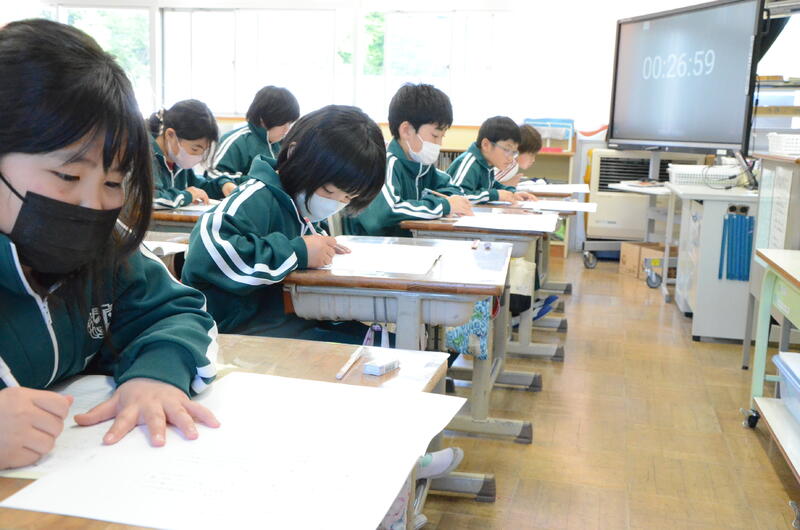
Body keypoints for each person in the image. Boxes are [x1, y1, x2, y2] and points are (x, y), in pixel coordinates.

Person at [0, 19, 219, 470]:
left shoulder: (107, 246)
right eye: (68, 175)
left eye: (114, 182)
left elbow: (174, 311)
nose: (93, 204)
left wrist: (157, 372)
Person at [182, 105, 388, 344]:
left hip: (285, 324)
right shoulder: (256, 197)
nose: (335, 203)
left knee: (384, 343)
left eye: (347, 198)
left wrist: (321, 250)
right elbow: (206, 249)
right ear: (294, 154)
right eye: (328, 191)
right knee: (378, 350)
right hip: (237, 335)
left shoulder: (302, 208)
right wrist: (299, 251)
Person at [343, 83, 472, 237]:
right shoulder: (384, 164)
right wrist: (443, 206)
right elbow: (386, 212)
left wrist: (446, 203)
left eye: (442, 137)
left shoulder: (421, 166)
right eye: (435, 136)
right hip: (371, 246)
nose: (439, 144)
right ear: (406, 130)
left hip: (403, 244)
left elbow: (455, 190)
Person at [208, 85, 300, 189]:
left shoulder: (285, 143)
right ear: (263, 118)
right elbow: (213, 174)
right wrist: (266, 179)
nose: (287, 129)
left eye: (290, 123)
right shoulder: (237, 140)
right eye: (283, 123)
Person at [149, 99, 230, 208]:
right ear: (170, 135)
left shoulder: (177, 161)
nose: (198, 157)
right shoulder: (146, 156)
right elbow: (150, 199)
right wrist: (187, 195)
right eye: (195, 149)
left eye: (204, 151)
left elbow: (199, 187)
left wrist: (222, 185)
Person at [447, 116, 537, 204]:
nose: (511, 158)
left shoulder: (487, 165)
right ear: (486, 145)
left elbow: (492, 185)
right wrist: (495, 195)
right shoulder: (470, 163)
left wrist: (512, 193)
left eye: (514, 152)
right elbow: (458, 196)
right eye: (507, 150)